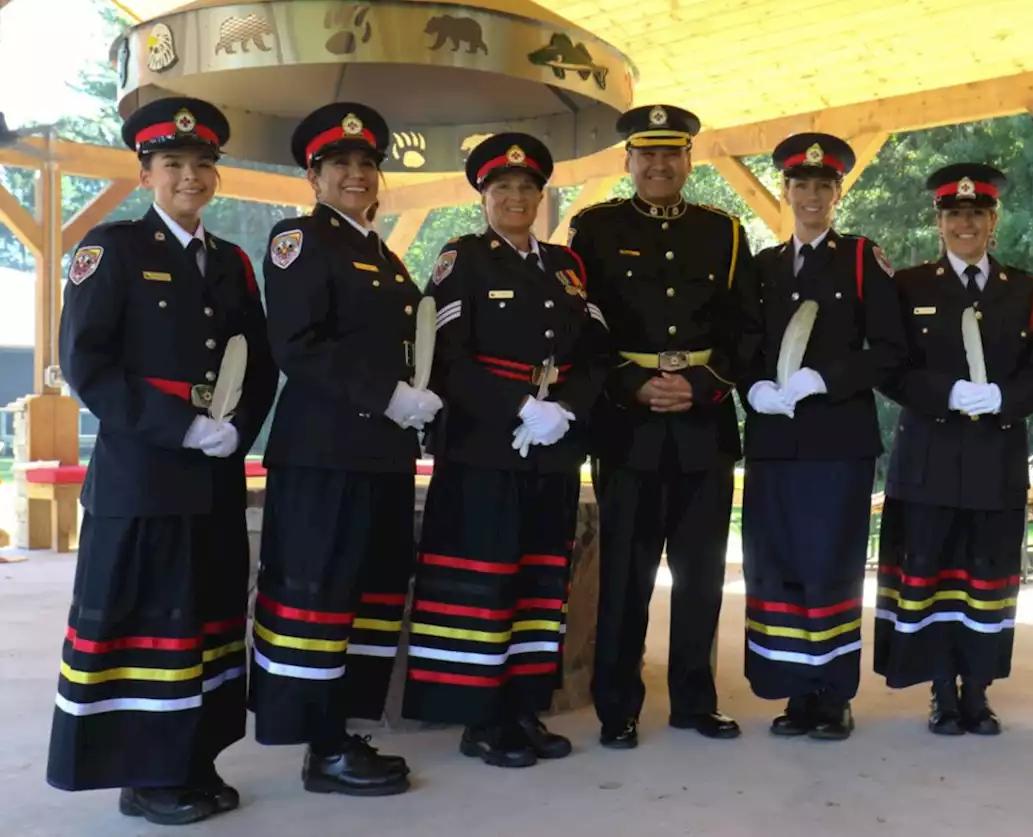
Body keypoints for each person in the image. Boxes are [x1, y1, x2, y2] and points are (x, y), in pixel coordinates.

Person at [47, 96, 278, 825]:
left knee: (206, 623)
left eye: (203, 164)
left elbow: (262, 364)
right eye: (174, 163)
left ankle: (193, 759)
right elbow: (88, 365)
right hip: (142, 479)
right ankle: (145, 775)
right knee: (147, 626)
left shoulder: (232, 262)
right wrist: (179, 426)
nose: (190, 176)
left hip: (213, 476)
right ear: (145, 171)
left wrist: (236, 428)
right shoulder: (111, 250)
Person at [250, 102, 441, 795]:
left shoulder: (384, 254)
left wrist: (419, 402)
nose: (356, 174)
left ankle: (341, 730)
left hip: (379, 455)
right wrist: (388, 396)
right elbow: (297, 346)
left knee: (368, 592)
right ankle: (320, 743)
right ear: (314, 175)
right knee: (319, 595)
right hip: (324, 454)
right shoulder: (299, 239)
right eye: (340, 165)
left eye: (366, 164)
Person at [402, 133, 609, 767]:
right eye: (502, 189)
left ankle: (525, 706)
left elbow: (596, 352)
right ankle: (482, 718)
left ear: (542, 199)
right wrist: (520, 407)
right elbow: (447, 360)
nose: (516, 197)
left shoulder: (567, 267)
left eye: (527, 188)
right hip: (484, 448)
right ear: (483, 199)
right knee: (482, 584)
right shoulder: (461, 258)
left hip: (550, 448)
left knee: (541, 583)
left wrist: (563, 409)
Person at [568, 104, 754, 748]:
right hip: (628, 423)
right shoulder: (593, 228)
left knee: (702, 575)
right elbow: (582, 323)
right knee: (626, 575)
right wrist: (630, 383)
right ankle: (616, 707)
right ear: (628, 161)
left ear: (688, 161)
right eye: (646, 154)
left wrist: (704, 385)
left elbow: (745, 329)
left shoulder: (726, 232)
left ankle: (694, 702)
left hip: (704, 425)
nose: (658, 164)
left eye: (670, 153)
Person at [875, 163, 1033, 735]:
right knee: (930, 574)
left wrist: (1003, 397)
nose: (965, 224)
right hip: (929, 453)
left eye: (976, 214)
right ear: (940, 222)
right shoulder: (908, 286)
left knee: (987, 576)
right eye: (954, 214)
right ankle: (940, 692)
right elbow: (890, 366)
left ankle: (976, 691)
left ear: (992, 220)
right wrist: (946, 393)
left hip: (994, 456)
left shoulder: (1025, 290)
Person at [738, 134, 906, 740]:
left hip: (837, 440)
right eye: (801, 185)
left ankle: (832, 693)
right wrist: (752, 387)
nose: (812, 195)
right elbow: (743, 344)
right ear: (786, 191)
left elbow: (890, 349)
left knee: (830, 565)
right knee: (777, 564)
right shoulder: (761, 268)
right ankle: (793, 690)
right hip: (775, 440)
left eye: (824, 185)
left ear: (838, 193)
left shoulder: (863, 259)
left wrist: (823, 379)